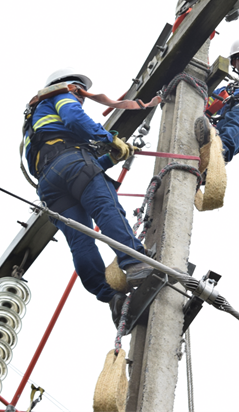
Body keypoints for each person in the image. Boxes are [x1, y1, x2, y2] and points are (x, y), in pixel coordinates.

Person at [24, 68, 151, 325]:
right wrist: (110, 139)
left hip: (48, 185)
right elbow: (74, 121)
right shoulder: (61, 95)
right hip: (72, 164)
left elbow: (68, 164)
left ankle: (110, 296)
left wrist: (110, 159)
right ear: (70, 85)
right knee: (106, 209)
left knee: (80, 240)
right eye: (80, 92)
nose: (82, 98)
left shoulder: (34, 120)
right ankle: (136, 263)